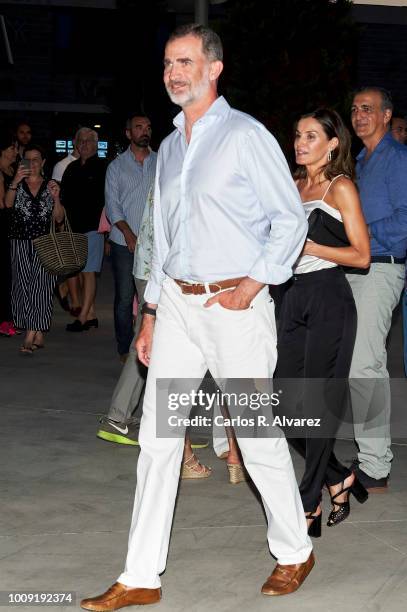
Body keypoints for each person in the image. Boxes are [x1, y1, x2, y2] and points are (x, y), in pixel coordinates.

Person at [81, 24, 313, 612]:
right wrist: (152, 313)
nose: (173, 73)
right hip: (178, 309)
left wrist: (252, 285)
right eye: (166, 64)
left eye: (184, 62)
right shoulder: (169, 148)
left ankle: (294, 552)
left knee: (257, 437)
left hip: (233, 308)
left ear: (214, 68)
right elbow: (166, 241)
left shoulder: (245, 135)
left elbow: (290, 220)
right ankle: (140, 575)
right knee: (158, 442)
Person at [275, 109, 370, 536]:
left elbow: (361, 256)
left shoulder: (341, 187)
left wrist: (312, 245)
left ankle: (308, 498)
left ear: (333, 143)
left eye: (311, 135)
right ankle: (338, 475)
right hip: (290, 297)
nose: (300, 142)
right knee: (280, 403)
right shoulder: (292, 185)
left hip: (329, 296)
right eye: (297, 135)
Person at [348, 87, 407, 491]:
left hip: (382, 269)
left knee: (364, 366)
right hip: (355, 269)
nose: (358, 115)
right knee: (357, 364)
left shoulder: (398, 160)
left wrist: (362, 234)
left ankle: (375, 465)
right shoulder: (360, 161)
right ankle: (371, 449)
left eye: (367, 109)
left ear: (387, 116)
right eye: (354, 109)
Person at [105, 114, 157, 361]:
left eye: (147, 127)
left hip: (154, 243)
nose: (144, 131)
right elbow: (113, 206)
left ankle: (150, 343)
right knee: (125, 297)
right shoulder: (116, 167)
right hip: (123, 242)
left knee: (152, 297)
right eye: (138, 127)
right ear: (128, 133)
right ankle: (125, 347)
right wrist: (128, 233)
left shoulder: (161, 162)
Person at [4, 145, 64, 352]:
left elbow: (58, 218)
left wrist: (56, 197)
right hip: (19, 241)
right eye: (27, 159)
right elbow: (8, 204)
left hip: (45, 243)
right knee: (23, 286)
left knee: (41, 286)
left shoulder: (51, 185)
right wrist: (14, 181)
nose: (32, 163)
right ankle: (38, 332)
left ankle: (30, 336)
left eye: (36, 159)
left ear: (43, 162)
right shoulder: (17, 184)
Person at [61, 128, 107, 332]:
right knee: (76, 270)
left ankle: (83, 318)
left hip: (93, 229)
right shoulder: (70, 168)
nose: (85, 144)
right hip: (73, 229)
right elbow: (64, 200)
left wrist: (106, 234)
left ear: (96, 144)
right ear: (76, 144)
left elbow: (109, 201)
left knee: (88, 272)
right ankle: (91, 314)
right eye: (81, 140)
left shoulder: (104, 168)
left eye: (89, 140)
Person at [52, 135, 81, 313]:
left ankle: (69, 293)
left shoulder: (89, 164)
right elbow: (56, 196)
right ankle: (73, 299)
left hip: (81, 220)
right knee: (70, 262)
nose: (85, 145)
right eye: (82, 141)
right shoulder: (62, 165)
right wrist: (60, 223)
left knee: (78, 263)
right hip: (65, 220)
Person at [0, 132, 18, 337]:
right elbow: (3, 204)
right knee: (4, 275)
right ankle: (4, 320)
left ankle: (9, 317)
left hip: (12, 228)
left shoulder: (12, 169)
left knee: (11, 275)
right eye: (12, 148)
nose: (15, 151)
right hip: (3, 227)